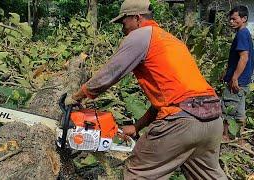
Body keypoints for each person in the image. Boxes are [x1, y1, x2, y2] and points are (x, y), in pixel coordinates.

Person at [66, 0, 227, 179]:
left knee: (138, 172)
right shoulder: (171, 40)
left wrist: (78, 96)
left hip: (181, 123)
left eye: (123, 22)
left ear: (137, 17)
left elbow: (110, 73)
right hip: (212, 119)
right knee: (207, 175)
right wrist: (136, 126)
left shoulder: (140, 35)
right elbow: (174, 99)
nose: (122, 27)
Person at [222, 5, 254, 142]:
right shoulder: (246, 33)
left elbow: (244, 57)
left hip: (238, 81)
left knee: (227, 110)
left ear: (244, 18)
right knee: (239, 111)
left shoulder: (241, 34)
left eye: (234, 19)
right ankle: (238, 139)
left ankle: (225, 137)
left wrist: (234, 77)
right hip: (244, 80)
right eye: (230, 19)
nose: (231, 21)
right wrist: (227, 73)